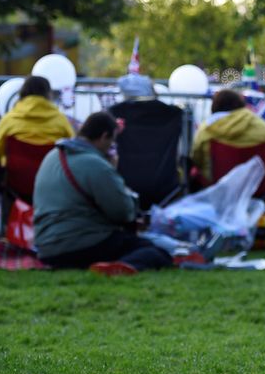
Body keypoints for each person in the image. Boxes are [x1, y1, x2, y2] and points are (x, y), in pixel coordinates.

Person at [33, 111, 171, 275]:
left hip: (46, 248)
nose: (111, 148)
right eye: (112, 142)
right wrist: (113, 171)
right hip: (79, 244)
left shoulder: (52, 156)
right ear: (104, 136)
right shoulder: (96, 164)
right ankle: (121, 266)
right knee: (154, 252)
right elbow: (122, 212)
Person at [190, 89, 265, 189]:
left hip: (217, 188)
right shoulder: (263, 127)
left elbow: (197, 159)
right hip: (258, 188)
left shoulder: (206, 129)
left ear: (214, 107)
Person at [0, 76, 75, 166]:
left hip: (15, 173)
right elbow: (73, 147)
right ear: (48, 93)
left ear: (22, 92)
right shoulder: (61, 120)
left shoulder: (8, 120)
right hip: (50, 172)